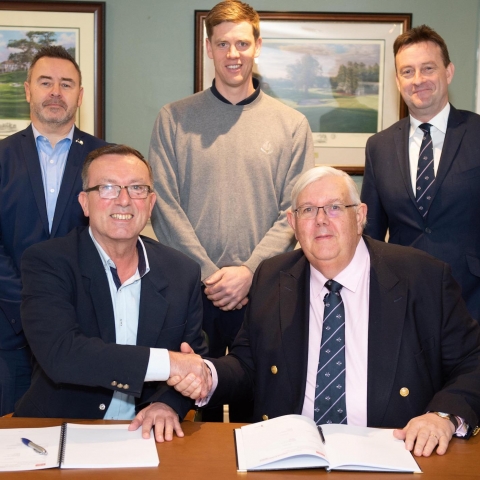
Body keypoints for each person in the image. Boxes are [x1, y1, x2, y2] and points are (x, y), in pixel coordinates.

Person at [171, 166, 480, 457]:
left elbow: (472, 361)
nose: (320, 220)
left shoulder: (421, 277)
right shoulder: (273, 277)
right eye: (307, 210)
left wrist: (444, 415)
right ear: (293, 224)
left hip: (393, 450)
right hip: (290, 453)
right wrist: (208, 375)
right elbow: (248, 365)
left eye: (334, 208)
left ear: (360, 216)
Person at [148, 0, 314, 421]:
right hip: (190, 290)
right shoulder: (174, 119)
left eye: (242, 43)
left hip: (264, 289)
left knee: (258, 404)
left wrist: (249, 272)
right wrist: (209, 274)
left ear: (257, 45)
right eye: (223, 44)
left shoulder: (291, 124)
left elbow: (293, 211)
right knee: (183, 405)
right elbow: (163, 204)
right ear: (209, 48)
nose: (233, 54)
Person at [14, 144, 210, 443]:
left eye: (137, 188)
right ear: (85, 203)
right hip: (59, 431)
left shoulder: (181, 272)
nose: (124, 200)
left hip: (145, 437)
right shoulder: (48, 262)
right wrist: (168, 363)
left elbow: (193, 358)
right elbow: (62, 353)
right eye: (107, 188)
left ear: (151, 202)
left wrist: (167, 403)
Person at [0, 45, 108, 415]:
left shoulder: (105, 161)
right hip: (9, 331)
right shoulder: (2, 157)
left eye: (67, 84)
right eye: (46, 82)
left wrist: (60, 311)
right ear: (28, 90)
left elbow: (113, 241)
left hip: (82, 331)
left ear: (80, 95)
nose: (56, 92)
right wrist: (26, 305)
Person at [361, 24, 480, 322]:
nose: (418, 80)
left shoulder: (477, 133)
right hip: (401, 305)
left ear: (448, 72)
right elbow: (370, 233)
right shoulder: (379, 146)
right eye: (408, 71)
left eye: (428, 68)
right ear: (398, 79)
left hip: (472, 301)